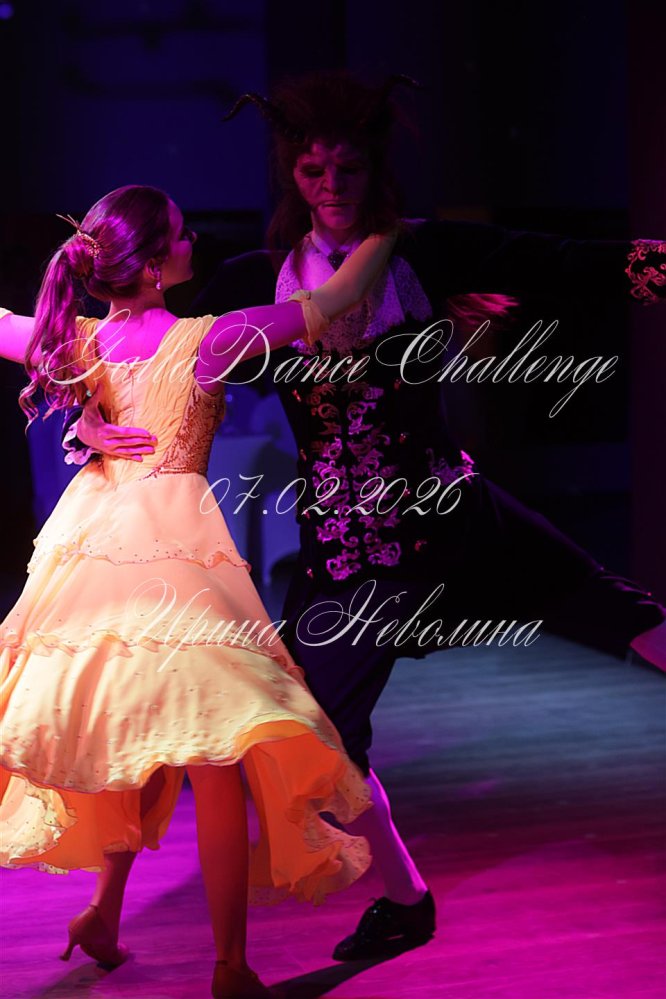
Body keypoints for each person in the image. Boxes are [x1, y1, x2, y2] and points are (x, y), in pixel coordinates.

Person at [64, 71, 666, 963]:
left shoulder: (423, 252)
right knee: (321, 741)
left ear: (372, 169)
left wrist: (650, 263)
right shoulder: (254, 280)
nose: (332, 184)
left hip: (450, 515)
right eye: (314, 170)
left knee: (618, 609)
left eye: (347, 168)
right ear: (294, 177)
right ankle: (406, 897)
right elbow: (130, 347)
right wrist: (85, 419)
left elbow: (549, 258)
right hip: (347, 553)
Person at [0, 183, 397, 998]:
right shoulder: (208, 339)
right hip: (172, 555)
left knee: (141, 735)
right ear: (151, 264)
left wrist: (84, 425)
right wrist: (387, 229)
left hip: (95, 554)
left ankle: (104, 914)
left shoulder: (77, 339)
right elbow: (334, 299)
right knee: (215, 755)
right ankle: (229, 966)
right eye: (181, 235)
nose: (193, 244)